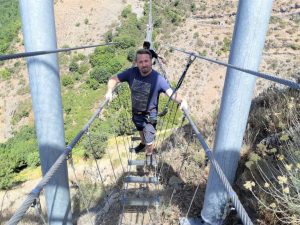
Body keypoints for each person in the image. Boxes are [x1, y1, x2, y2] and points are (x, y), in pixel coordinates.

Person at [105, 49, 187, 166]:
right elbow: (114, 79)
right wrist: (109, 91)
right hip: (136, 113)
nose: (144, 64)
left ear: (151, 61)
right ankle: (142, 143)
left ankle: (149, 155)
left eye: (146, 61)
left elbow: (172, 94)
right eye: (140, 62)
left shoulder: (158, 79)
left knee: (150, 141)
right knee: (140, 130)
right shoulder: (131, 73)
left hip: (149, 117)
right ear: (136, 63)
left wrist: (182, 100)